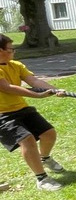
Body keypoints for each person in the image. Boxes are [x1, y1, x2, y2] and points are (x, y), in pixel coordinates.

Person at [0, 34, 65, 191]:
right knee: (27, 139)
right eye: (10, 49)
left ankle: (45, 158)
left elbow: (34, 81)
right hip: (3, 115)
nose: (13, 51)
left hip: (21, 108)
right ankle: (41, 179)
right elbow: (8, 88)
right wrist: (37, 95)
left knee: (49, 133)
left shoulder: (16, 65)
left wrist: (53, 89)